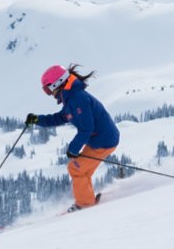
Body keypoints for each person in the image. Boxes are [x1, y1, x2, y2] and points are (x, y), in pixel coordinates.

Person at [25, 64, 120, 211]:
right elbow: (61, 117)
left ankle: (85, 205)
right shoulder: (70, 98)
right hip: (100, 139)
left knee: (75, 168)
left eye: (48, 89)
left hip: (104, 141)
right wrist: (38, 120)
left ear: (58, 83)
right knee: (82, 170)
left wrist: (73, 149)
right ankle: (87, 200)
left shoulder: (76, 99)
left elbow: (87, 128)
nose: (49, 93)